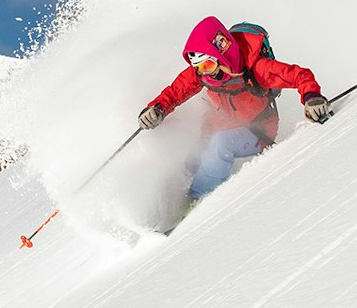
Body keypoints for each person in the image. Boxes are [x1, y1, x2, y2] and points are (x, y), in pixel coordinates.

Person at [137, 16, 331, 202]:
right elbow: (175, 92)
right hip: (221, 124)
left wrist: (311, 97)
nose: (205, 72)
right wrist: (157, 109)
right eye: (199, 67)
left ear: (222, 54)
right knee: (196, 155)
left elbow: (300, 76)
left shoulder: (257, 69)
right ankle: (179, 191)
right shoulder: (203, 74)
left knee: (220, 145)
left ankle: (197, 200)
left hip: (257, 131)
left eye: (208, 64)